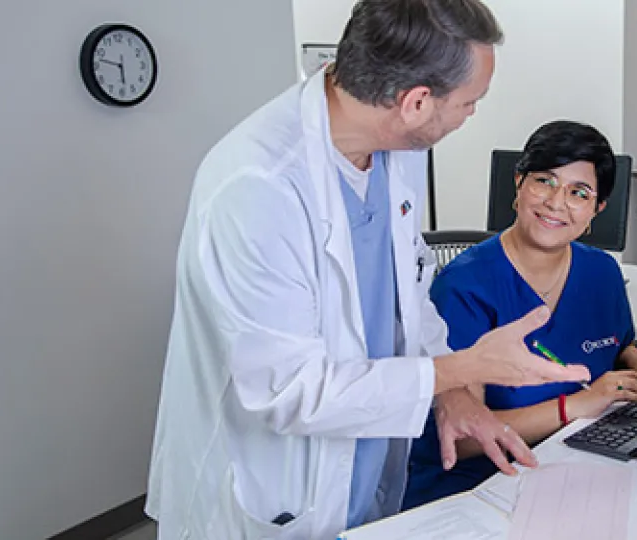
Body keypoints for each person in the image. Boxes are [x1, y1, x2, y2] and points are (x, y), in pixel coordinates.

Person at [143, 2, 591, 540]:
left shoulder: (392, 150)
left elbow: (409, 294)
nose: (471, 114)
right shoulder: (258, 188)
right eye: (471, 102)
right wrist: (462, 370)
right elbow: (290, 391)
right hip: (273, 486)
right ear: (416, 102)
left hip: (364, 468)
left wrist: (451, 393)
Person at [403, 120, 637, 509]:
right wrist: (574, 406)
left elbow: (614, 346)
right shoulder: (463, 288)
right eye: (544, 181)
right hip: (476, 491)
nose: (556, 202)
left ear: (597, 209)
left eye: (579, 192)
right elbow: (466, 438)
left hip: (567, 466)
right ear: (519, 183)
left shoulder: (601, 273)